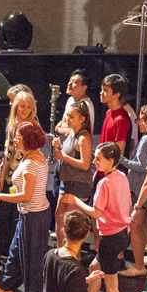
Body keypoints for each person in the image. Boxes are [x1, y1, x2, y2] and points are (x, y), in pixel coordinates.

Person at [66, 143, 132, 292]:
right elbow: (128, 204)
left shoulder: (105, 183)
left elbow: (96, 212)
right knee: (95, 268)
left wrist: (75, 201)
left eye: (98, 158)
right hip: (122, 234)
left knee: (111, 285)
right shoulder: (122, 177)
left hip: (111, 238)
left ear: (110, 161)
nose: (94, 161)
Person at [0, 121, 50, 292]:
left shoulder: (31, 163)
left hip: (34, 216)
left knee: (32, 260)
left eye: (18, 137)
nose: (15, 139)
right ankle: (6, 288)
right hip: (27, 215)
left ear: (28, 139)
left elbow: (26, 195)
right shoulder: (32, 156)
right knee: (15, 253)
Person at [0, 87, 38, 260]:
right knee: (3, 214)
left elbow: (34, 155)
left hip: (22, 179)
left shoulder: (33, 127)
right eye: (22, 106)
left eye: (28, 107)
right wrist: (2, 173)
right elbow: (7, 151)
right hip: (8, 177)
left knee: (15, 216)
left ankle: (13, 251)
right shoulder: (12, 124)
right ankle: (5, 247)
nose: (25, 110)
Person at [120, 103, 147, 277]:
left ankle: (139, 266)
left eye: (143, 120)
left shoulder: (146, 139)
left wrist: (120, 159)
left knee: (135, 224)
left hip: (140, 189)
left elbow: (141, 166)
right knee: (145, 224)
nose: (139, 123)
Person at [51, 103, 94, 242]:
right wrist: (59, 148)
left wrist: (63, 156)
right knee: (59, 216)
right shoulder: (70, 132)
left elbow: (85, 164)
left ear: (82, 119)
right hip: (66, 181)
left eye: (71, 116)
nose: (67, 119)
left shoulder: (83, 138)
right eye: (67, 115)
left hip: (78, 184)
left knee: (72, 223)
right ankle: (60, 252)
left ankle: (73, 255)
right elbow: (66, 152)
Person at [54, 70, 97, 138]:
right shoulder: (70, 100)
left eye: (75, 82)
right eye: (70, 80)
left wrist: (58, 129)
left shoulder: (85, 105)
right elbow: (64, 123)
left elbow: (72, 131)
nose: (69, 84)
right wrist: (64, 127)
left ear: (84, 87)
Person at [99, 74, 132, 154]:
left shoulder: (121, 119)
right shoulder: (109, 112)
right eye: (101, 89)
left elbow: (119, 152)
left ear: (116, 95)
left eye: (105, 91)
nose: (101, 93)